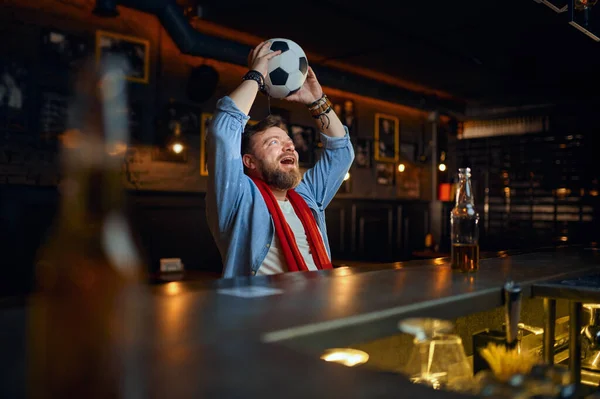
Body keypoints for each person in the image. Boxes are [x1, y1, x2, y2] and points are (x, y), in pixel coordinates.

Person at [205, 41, 354, 278]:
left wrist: (317, 101)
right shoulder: (237, 196)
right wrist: (256, 75)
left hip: (321, 306)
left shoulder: (307, 196)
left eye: (289, 143)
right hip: (263, 313)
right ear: (249, 161)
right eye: (273, 142)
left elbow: (341, 153)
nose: (289, 147)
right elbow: (224, 130)